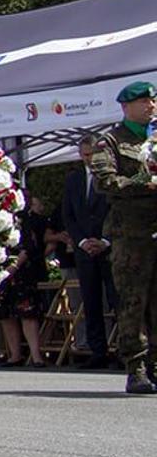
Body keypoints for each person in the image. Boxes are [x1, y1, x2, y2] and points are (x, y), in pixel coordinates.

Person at [85, 80, 157, 394]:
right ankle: (136, 367)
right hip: (131, 234)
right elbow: (105, 181)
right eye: (143, 102)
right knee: (133, 301)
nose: (151, 106)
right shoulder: (110, 141)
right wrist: (144, 182)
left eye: (152, 101)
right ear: (126, 107)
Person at [61, 137, 118, 369]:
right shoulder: (74, 180)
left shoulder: (110, 176)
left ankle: (127, 350)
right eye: (84, 155)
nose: (88, 159)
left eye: (92, 154)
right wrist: (82, 241)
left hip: (110, 248)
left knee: (118, 300)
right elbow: (69, 215)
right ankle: (98, 351)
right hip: (85, 251)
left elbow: (116, 210)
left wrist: (105, 240)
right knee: (91, 302)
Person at [0, 195, 56, 368]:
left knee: (27, 313)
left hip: (23, 271)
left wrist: (15, 266)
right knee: (5, 313)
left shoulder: (25, 220)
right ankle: (14, 355)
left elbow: (29, 246)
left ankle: (36, 355)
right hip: (1, 270)